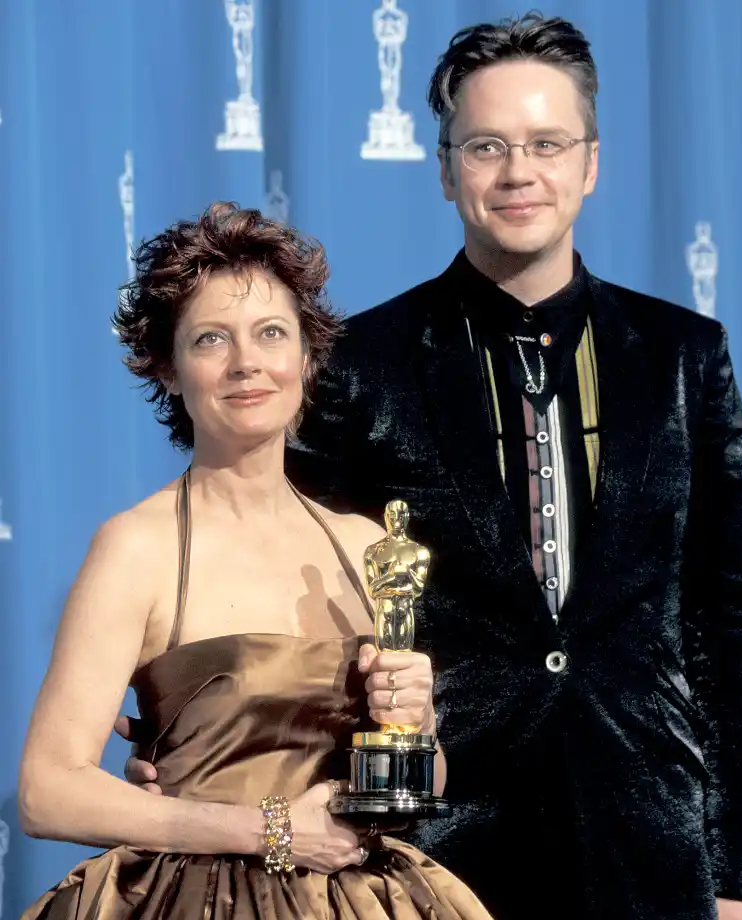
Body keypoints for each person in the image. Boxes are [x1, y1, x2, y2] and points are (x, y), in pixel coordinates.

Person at [122, 11, 742, 920]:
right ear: (443, 168)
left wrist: (737, 876)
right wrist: (189, 740)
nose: (519, 172)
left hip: (648, 846)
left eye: (547, 143)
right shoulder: (361, 364)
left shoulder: (681, 354)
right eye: (487, 146)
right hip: (433, 855)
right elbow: (275, 573)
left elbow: (726, 619)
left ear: (591, 163)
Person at [17, 203, 494, 920]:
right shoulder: (138, 547)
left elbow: (418, 782)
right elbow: (46, 790)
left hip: (366, 900)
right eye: (212, 339)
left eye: (272, 333)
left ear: (306, 357)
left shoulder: (369, 546)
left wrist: (416, 727)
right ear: (169, 370)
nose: (247, 363)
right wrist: (273, 831)